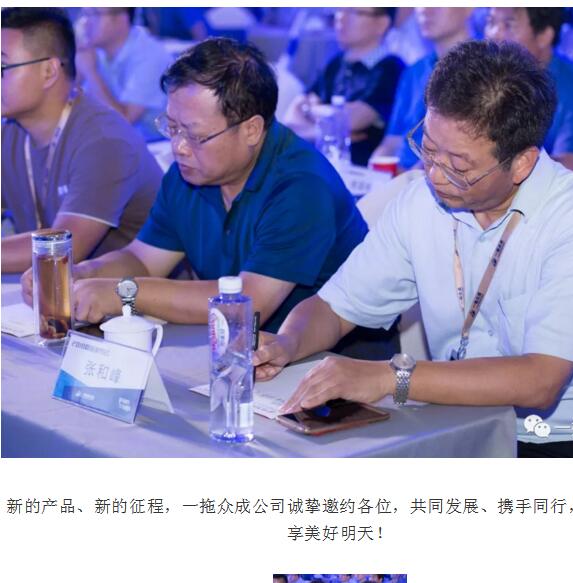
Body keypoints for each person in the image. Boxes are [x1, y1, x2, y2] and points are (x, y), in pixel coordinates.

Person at [254, 40, 573, 458]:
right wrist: (288, 343)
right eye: (427, 149)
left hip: (567, 442)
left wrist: (389, 378)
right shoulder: (420, 203)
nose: (435, 175)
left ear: (522, 163)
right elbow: (334, 309)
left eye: (459, 167)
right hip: (455, 422)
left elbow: (540, 381)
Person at [22, 38, 378, 342]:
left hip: (326, 362)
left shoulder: (301, 187)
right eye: (172, 127)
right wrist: (84, 273)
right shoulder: (191, 173)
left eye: (195, 135)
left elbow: (248, 304)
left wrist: (123, 293)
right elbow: (144, 260)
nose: (178, 147)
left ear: (252, 130)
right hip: (229, 347)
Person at [1, 7, 161, 274]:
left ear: (49, 71)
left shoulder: (104, 141)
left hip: (128, 297)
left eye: (2, 68)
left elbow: (63, 248)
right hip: (48, 289)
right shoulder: (10, 132)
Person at [485, 7, 573, 199]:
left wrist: (487, 169)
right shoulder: (494, 81)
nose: (494, 34)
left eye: (508, 24)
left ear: (544, 35)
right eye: (491, 22)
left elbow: (568, 168)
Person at [284, 8, 404, 166]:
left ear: (382, 23)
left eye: (355, 12)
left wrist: (311, 110)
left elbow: (353, 120)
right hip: (320, 164)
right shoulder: (336, 63)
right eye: (340, 10)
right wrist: (323, 132)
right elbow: (291, 117)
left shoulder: (389, 68)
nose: (341, 17)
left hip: (361, 171)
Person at [372, 8, 473, 169]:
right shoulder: (414, 72)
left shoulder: (483, 71)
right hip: (402, 175)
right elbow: (392, 140)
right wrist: (373, 172)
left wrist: (408, 179)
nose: (426, 10)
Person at [75, 7, 172, 140]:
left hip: (156, 144)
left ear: (121, 18)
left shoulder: (149, 55)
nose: (85, 22)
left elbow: (124, 122)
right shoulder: (95, 51)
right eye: (85, 14)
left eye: (95, 14)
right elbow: (70, 104)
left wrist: (91, 73)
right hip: (115, 142)